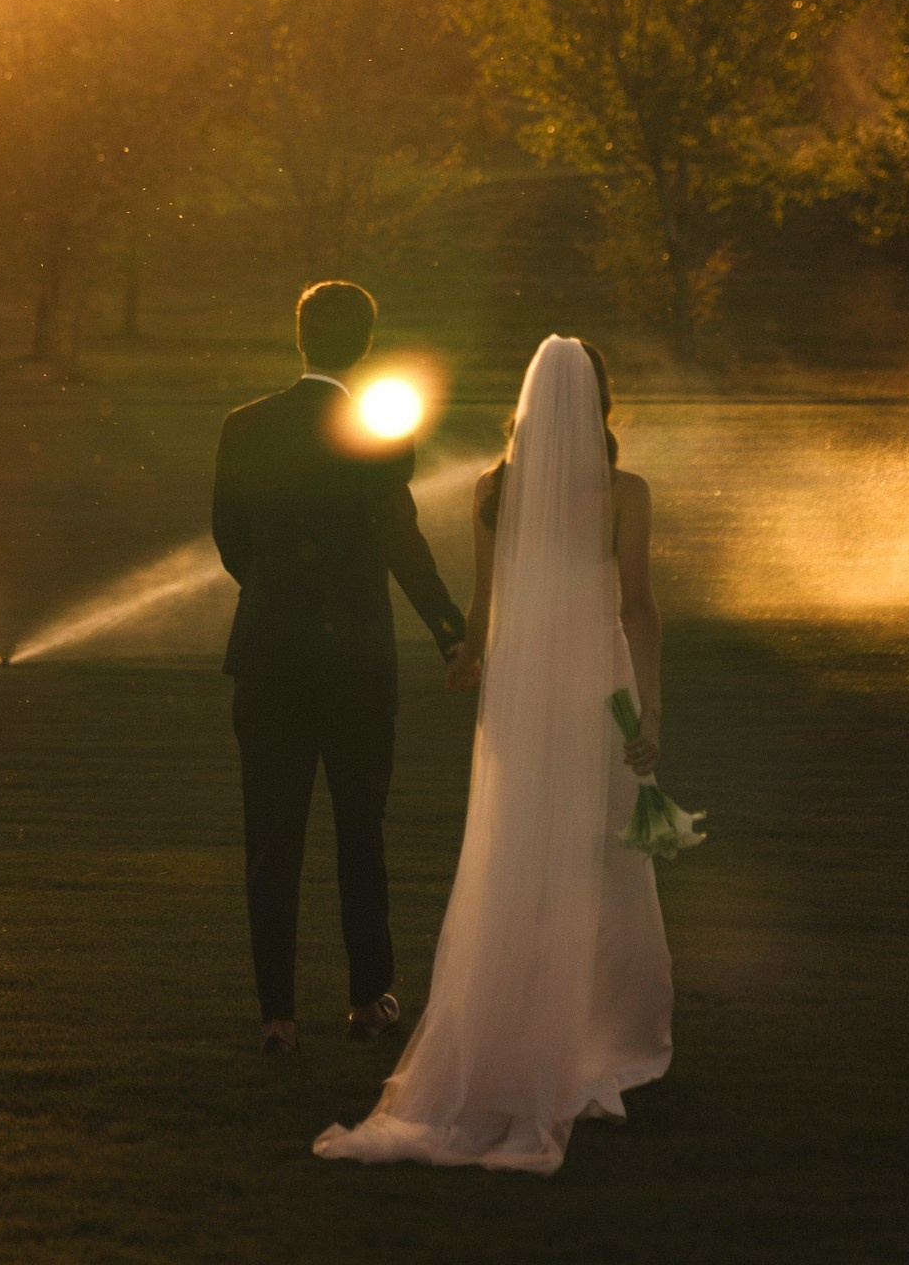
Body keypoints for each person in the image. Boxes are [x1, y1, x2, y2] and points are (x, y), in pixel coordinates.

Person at [315, 334, 674, 1174]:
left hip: (521, 694)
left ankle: (512, 1033)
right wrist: (647, 708)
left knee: (516, 858)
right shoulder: (625, 492)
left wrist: (467, 657)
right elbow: (640, 607)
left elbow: (486, 606)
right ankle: (584, 1038)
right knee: (598, 860)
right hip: (591, 690)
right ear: (601, 404)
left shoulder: (491, 489)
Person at [212, 281, 468, 1056]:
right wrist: (450, 634)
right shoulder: (379, 430)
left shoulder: (244, 426)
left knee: (272, 838)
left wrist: (278, 601)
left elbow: (230, 538)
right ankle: (366, 1000)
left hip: (268, 658)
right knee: (362, 831)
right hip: (357, 663)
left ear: (299, 338)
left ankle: (277, 1017)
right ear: (363, 345)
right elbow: (400, 539)